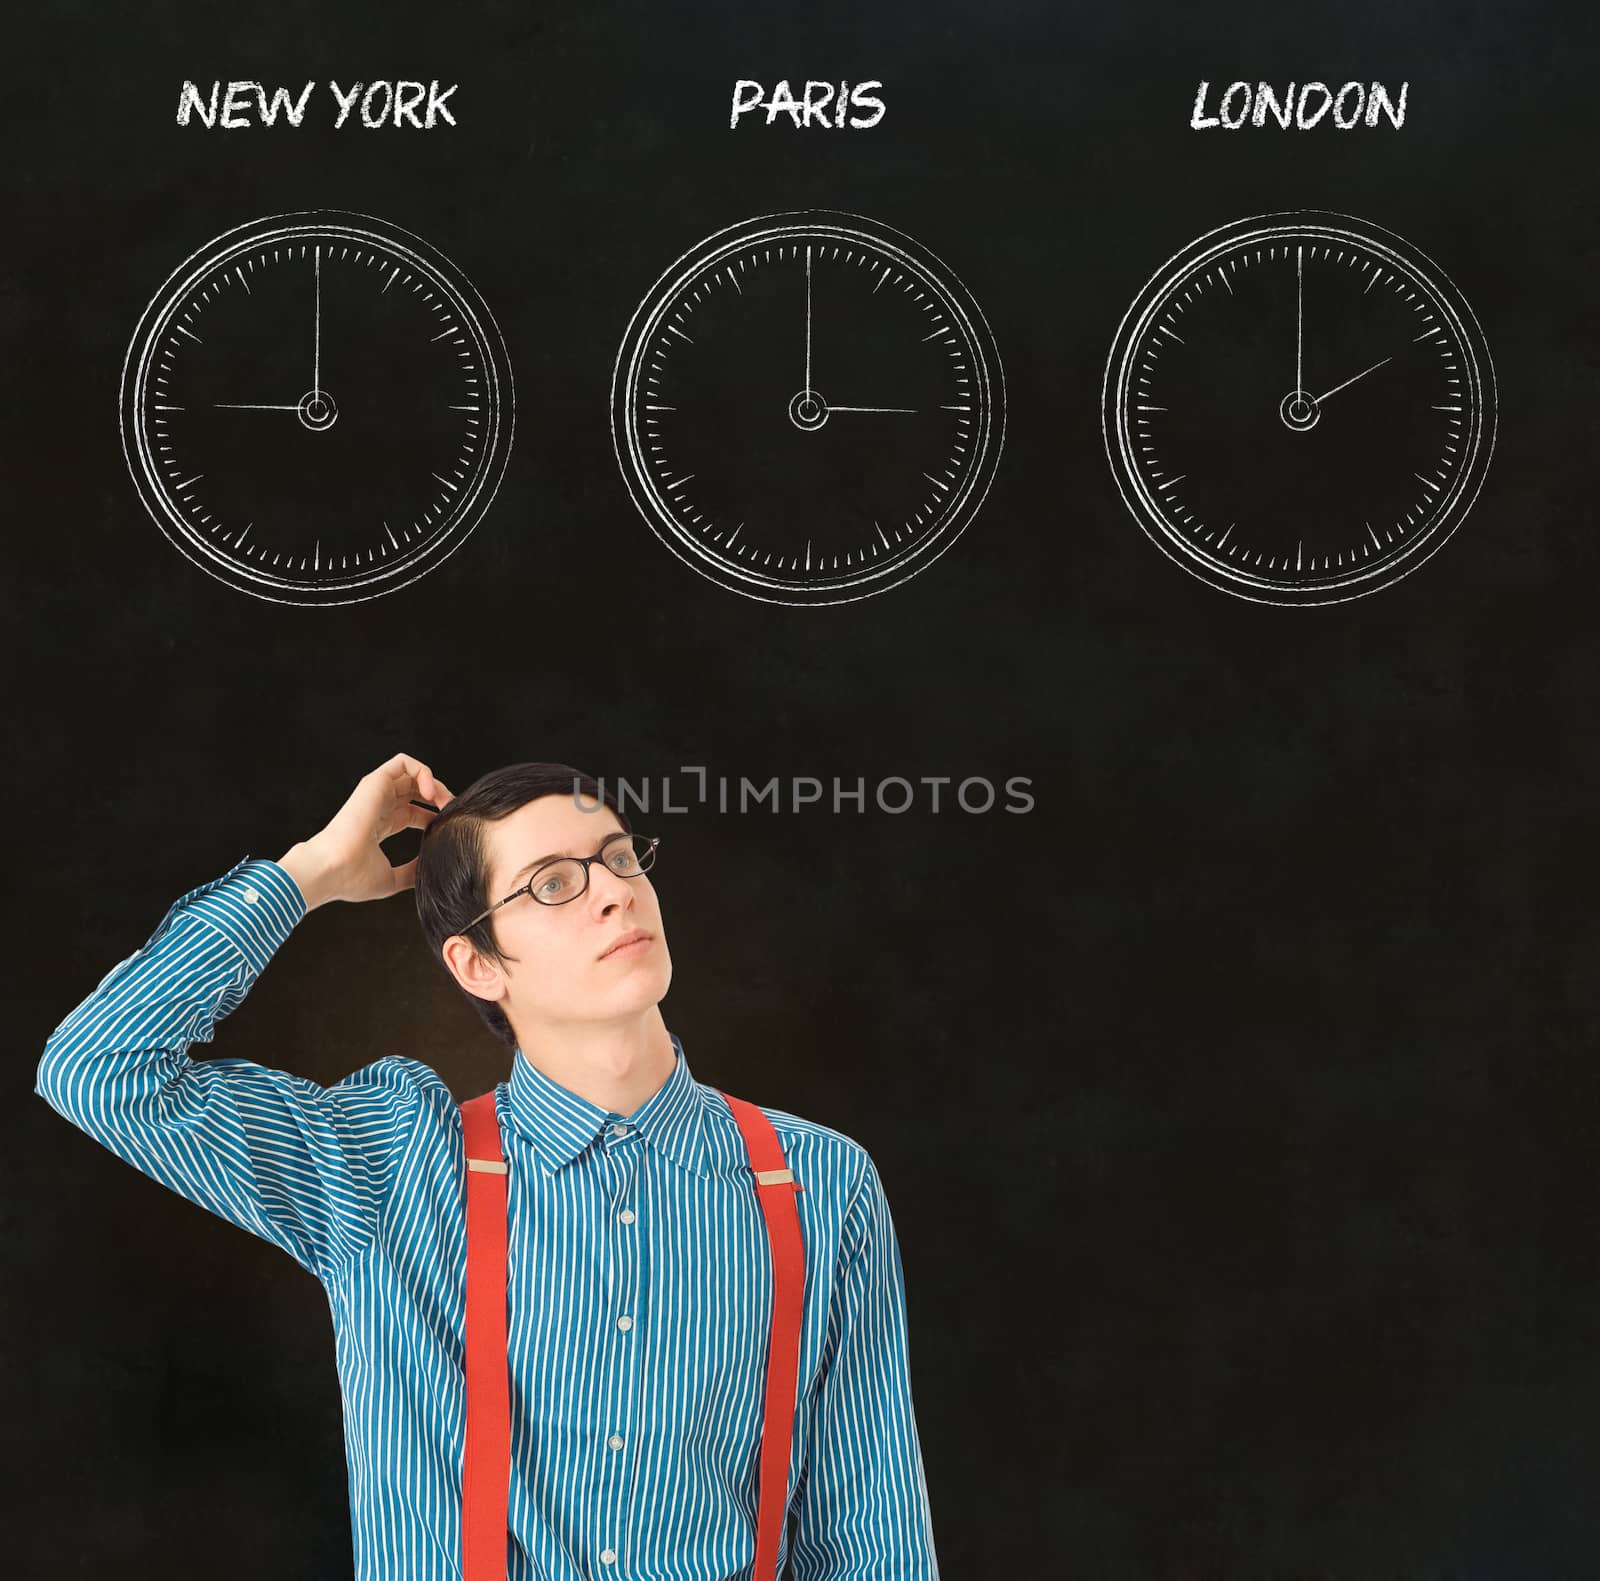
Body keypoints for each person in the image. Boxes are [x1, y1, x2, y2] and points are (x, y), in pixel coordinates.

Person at [34, 751, 940, 1581]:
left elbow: (867, 1524)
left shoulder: (818, 1181)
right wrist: (305, 874)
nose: (615, 893)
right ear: (475, 964)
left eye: (621, 857)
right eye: (553, 883)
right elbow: (99, 1069)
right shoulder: (390, 1169)